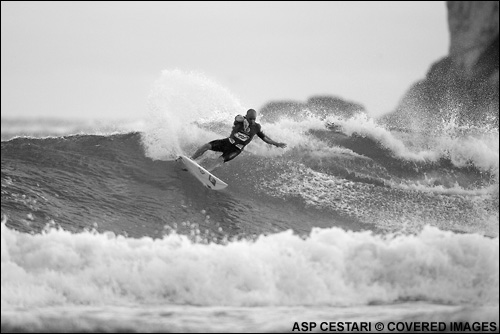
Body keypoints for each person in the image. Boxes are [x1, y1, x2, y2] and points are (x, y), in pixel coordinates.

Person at [191, 109, 287, 171]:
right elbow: (237, 117)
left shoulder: (256, 127)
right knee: (206, 146)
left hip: (235, 149)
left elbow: (265, 138)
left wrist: (276, 144)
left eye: (254, 119)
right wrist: (244, 120)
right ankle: (191, 159)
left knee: (220, 160)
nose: (252, 120)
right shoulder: (240, 121)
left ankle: (205, 173)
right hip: (227, 142)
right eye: (250, 118)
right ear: (246, 116)